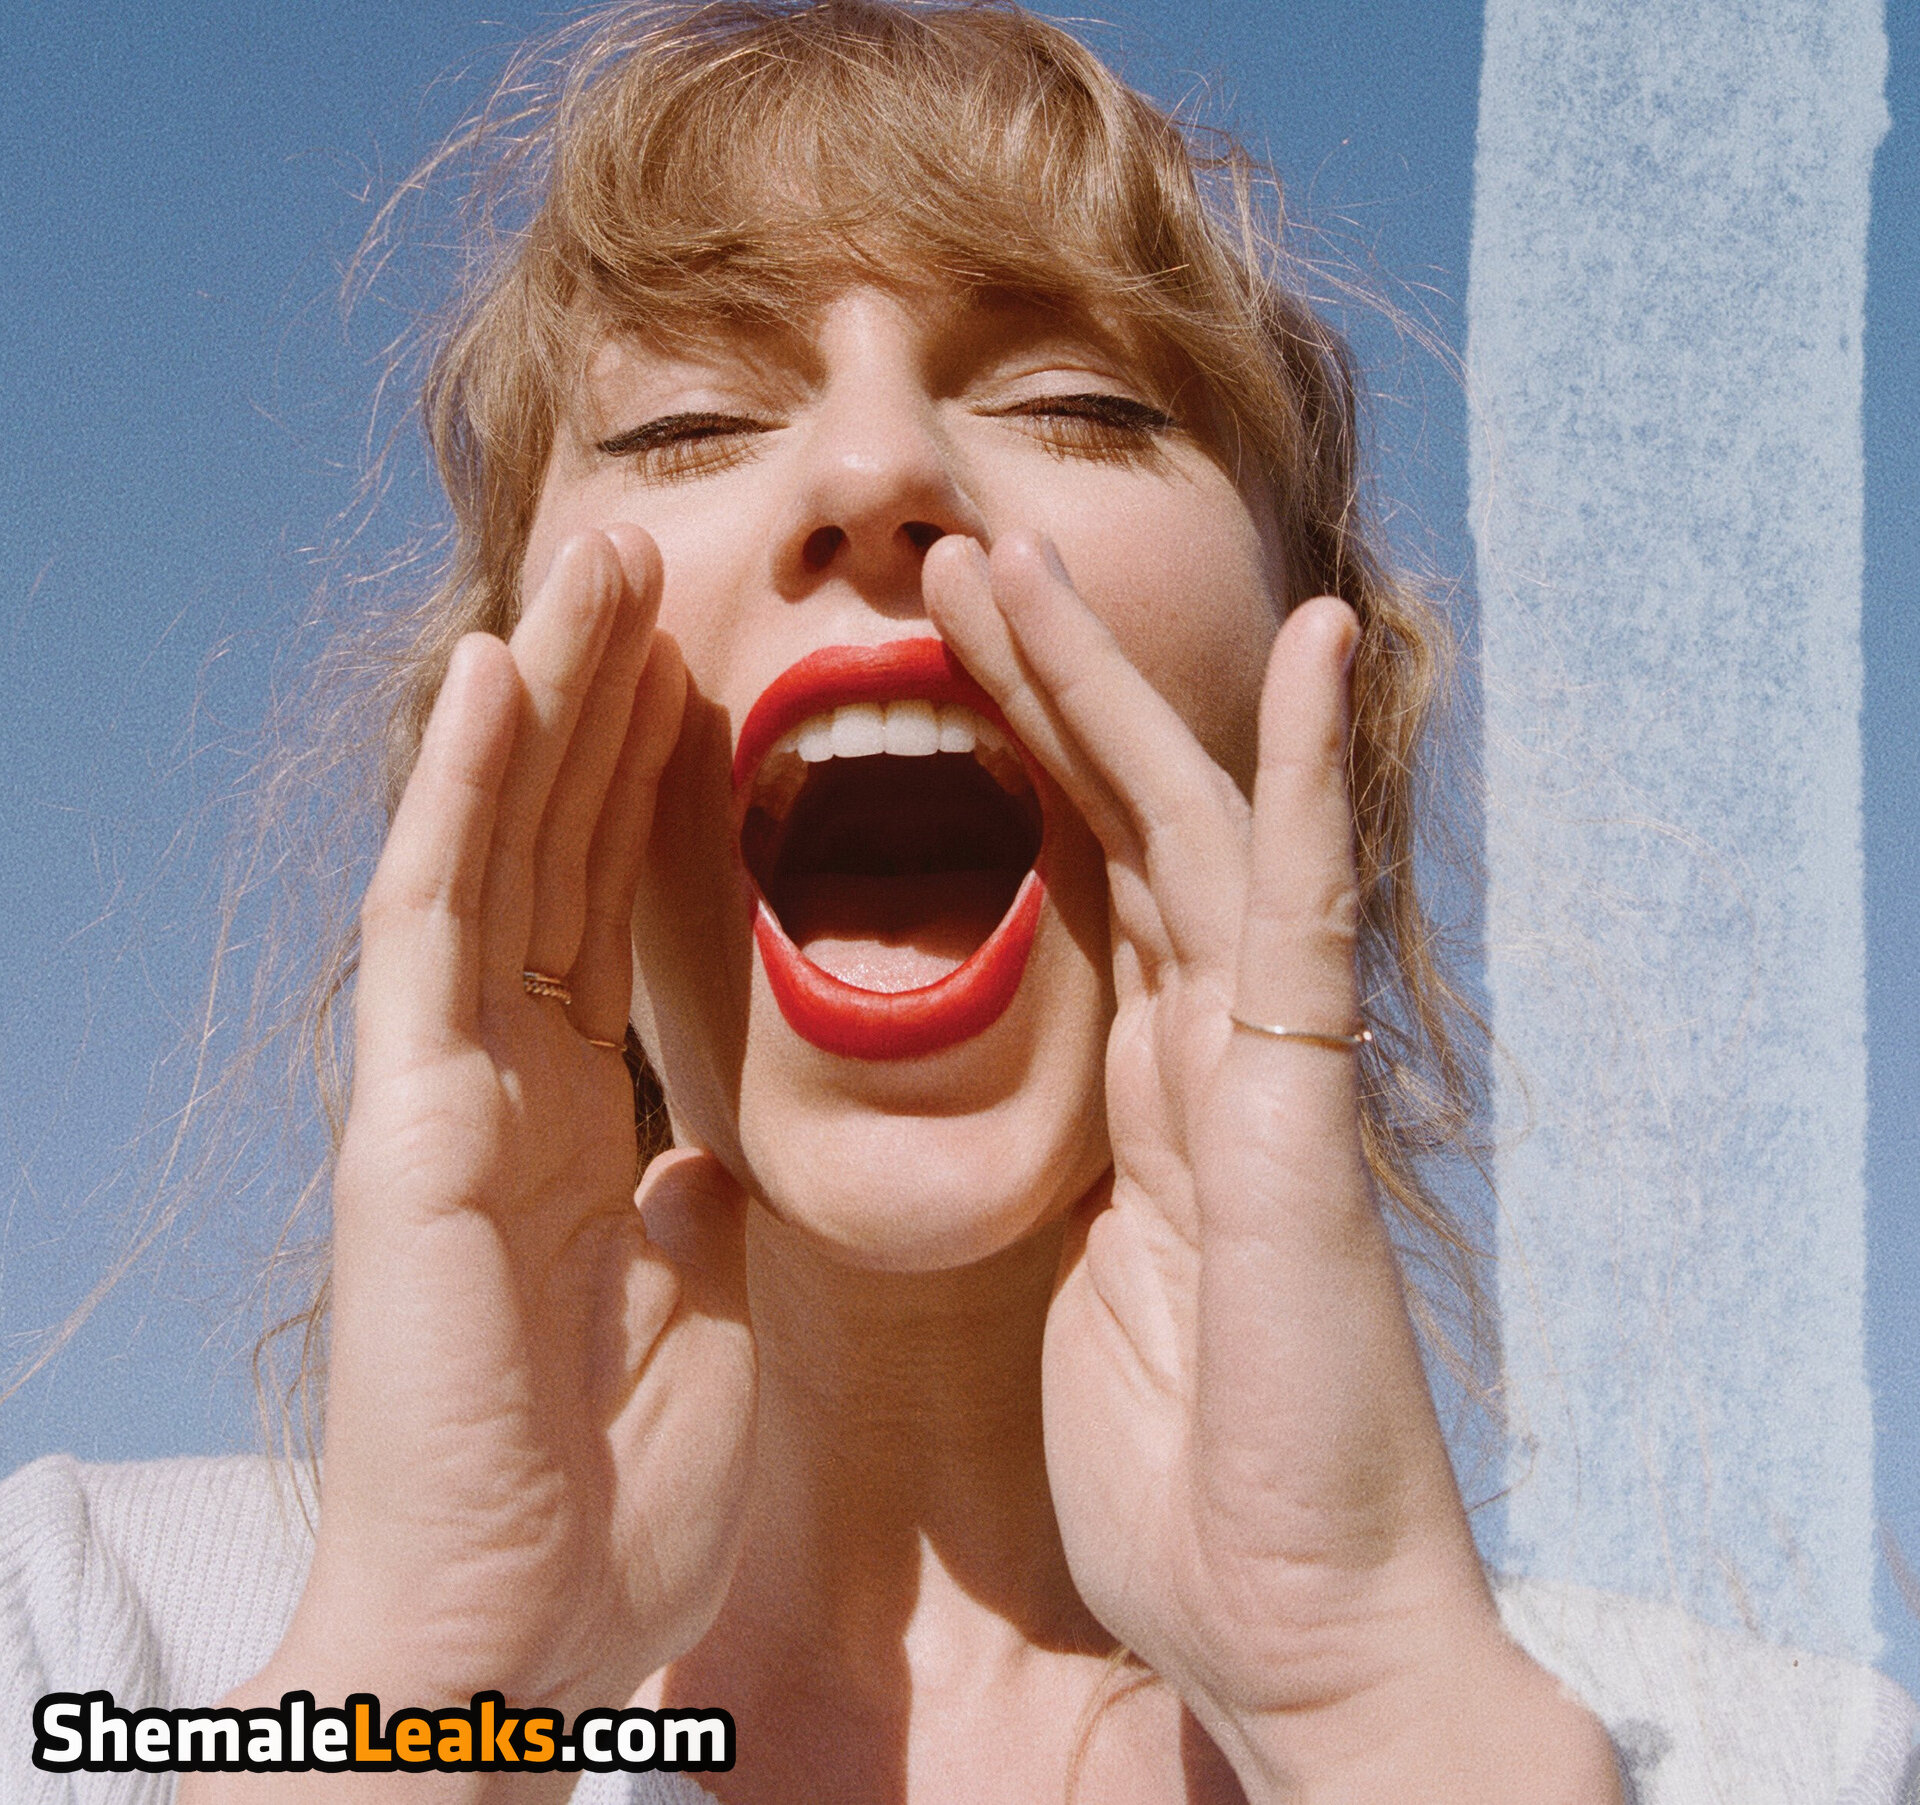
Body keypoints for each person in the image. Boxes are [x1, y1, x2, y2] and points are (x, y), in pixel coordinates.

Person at [2, 4, 1912, 1801]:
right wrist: (430, 1694)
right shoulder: (95, 1642)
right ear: (503, 755)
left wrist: (1373, 1714)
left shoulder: (1763, 1759)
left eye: (1083, 402)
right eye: (684, 426)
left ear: (1325, 732)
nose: (876, 465)